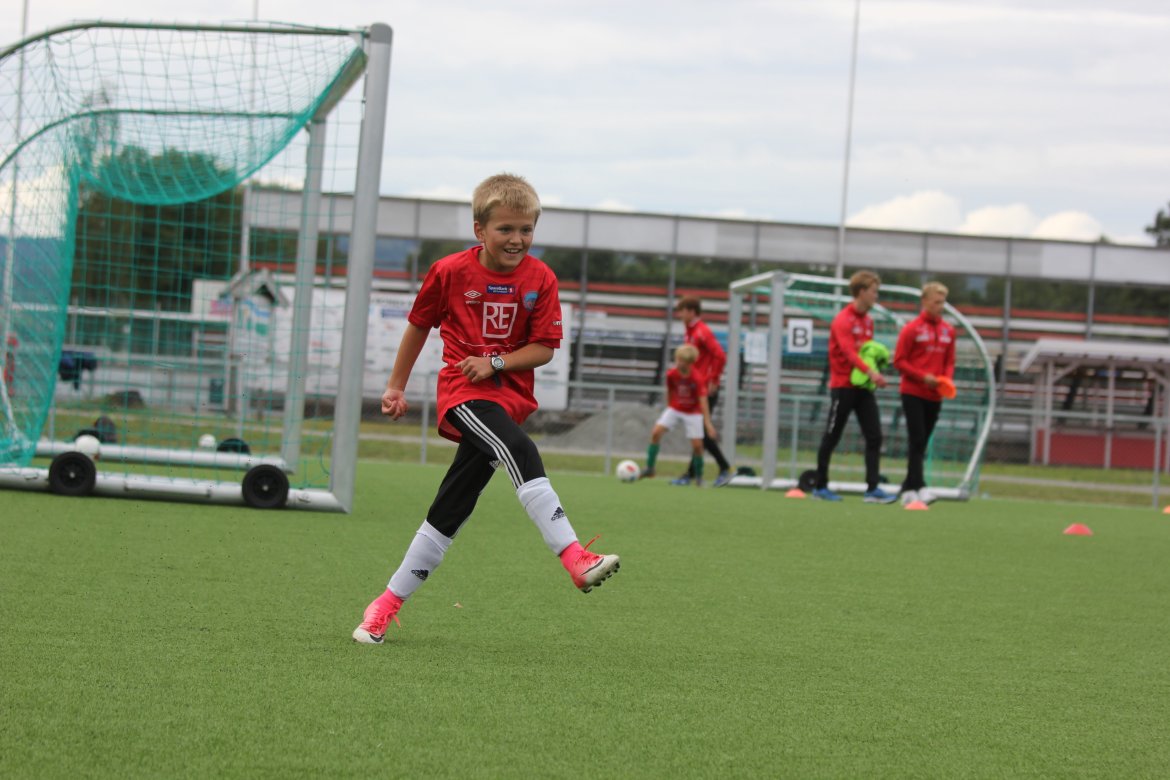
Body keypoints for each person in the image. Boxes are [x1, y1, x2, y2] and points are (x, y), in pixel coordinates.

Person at [353, 173, 620, 645]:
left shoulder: (542, 278)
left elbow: (544, 348)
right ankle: (574, 556)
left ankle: (385, 605)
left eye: (526, 229)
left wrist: (496, 362)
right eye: (505, 229)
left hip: (508, 400)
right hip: (464, 393)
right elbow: (419, 325)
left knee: (450, 507)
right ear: (480, 230)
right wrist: (396, 386)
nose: (517, 239)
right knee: (520, 449)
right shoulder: (449, 271)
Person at [811, 270, 898, 504]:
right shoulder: (843, 319)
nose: (876, 296)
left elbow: (865, 352)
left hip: (863, 388)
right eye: (874, 291)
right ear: (861, 292)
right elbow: (849, 353)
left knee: (874, 436)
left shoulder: (868, 321)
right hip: (843, 387)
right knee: (832, 436)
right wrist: (872, 373)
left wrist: (878, 362)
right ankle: (820, 487)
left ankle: (872, 489)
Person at [893, 281, 956, 506]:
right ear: (925, 301)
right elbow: (899, 361)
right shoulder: (911, 329)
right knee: (917, 438)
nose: (940, 306)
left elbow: (949, 361)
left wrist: (945, 379)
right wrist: (922, 377)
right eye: (936, 302)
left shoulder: (949, 330)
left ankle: (908, 487)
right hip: (913, 392)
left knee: (922, 442)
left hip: (935, 395)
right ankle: (919, 486)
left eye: (943, 302)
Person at [672, 296, 733, 486]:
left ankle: (725, 468)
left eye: (682, 311)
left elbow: (720, 355)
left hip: (705, 389)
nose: (679, 315)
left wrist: (713, 378)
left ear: (691, 311)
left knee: (702, 432)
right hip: (696, 388)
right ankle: (691, 474)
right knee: (698, 431)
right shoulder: (690, 332)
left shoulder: (701, 331)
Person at [642, 343, 717, 486]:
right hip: (675, 409)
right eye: (677, 359)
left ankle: (699, 477)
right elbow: (670, 391)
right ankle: (650, 468)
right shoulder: (671, 374)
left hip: (693, 412)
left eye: (681, 360)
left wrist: (708, 424)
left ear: (689, 363)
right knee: (656, 432)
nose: (678, 362)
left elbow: (703, 401)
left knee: (697, 446)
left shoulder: (697, 378)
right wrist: (669, 408)